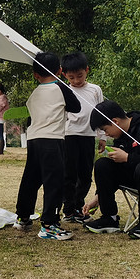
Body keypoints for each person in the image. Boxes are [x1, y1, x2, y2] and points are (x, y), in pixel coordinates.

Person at [14, 52, 81, 241]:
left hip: (34, 139)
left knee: (31, 179)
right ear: (60, 71)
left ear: (36, 75)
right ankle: (49, 225)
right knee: (54, 182)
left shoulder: (34, 94)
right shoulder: (60, 88)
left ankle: (23, 217)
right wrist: (62, 85)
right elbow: (76, 106)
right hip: (52, 140)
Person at [84, 99, 140, 240]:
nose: (107, 135)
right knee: (102, 164)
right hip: (132, 178)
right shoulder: (121, 136)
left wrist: (128, 158)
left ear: (115, 121)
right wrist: (98, 197)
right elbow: (118, 169)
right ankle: (109, 218)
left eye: (105, 130)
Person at [60, 52, 104, 224]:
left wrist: (102, 136)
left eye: (80, 76)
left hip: (88, 136)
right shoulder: (64, 89)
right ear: (64, 74)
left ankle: (78, 207)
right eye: (72, 77)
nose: (76, 81)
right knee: (69, 174)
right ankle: (68, 209)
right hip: (69, 135)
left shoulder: (95, 90)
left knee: (85, 175)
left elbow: (101, 114)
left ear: (87, 70)